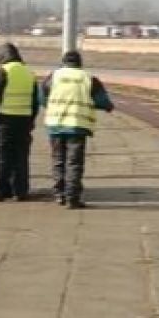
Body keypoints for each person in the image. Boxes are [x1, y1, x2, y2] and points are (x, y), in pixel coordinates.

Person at [43, 49, 115, 208]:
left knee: (58, 160)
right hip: (77, 125)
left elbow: (42, 99)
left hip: (55, 124)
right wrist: (108, 107)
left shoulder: (53, 77)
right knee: (74, 162)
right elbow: (103, 102)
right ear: (80, 63)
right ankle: (72, 198)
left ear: (63, 63)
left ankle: (59, 194)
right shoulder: (89, 79)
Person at [0, 43, 38, 200]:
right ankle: (20, 191)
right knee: (21, 157)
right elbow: (35, 101)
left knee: (2, 156)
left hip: (4, 120)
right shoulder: (29, 72)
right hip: (24, 120)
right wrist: (31, 120)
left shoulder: (3, 71)